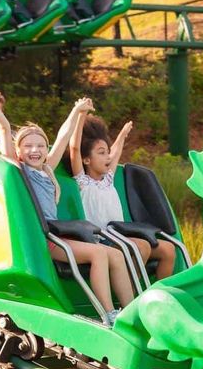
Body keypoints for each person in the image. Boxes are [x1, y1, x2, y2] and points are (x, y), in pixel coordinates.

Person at [0, 68, 134, 322]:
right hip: (44, 238)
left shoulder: (47, 170)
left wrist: (77, 112)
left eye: (41, 145)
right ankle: (108, 314)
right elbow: (4, 126)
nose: (35, 150)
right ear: (19, 152)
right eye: (28, 146)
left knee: (116, 254)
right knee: (99, 253)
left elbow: (64, 136)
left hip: (60, 234)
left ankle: (132, 311)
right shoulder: (20, 170)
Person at [70, 113, 176, 280]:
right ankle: (134, 297)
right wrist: (80, 116)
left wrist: (123, 133)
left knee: (168, 249)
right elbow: (74, 148)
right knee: (141, 247)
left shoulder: (108, 180)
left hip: (121, 236)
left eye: (107, 152)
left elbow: (116, 150)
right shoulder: (83, 182)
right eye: (101, 153)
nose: (108, 157)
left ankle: (157, 293)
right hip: (101, 239)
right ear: (87, 160)